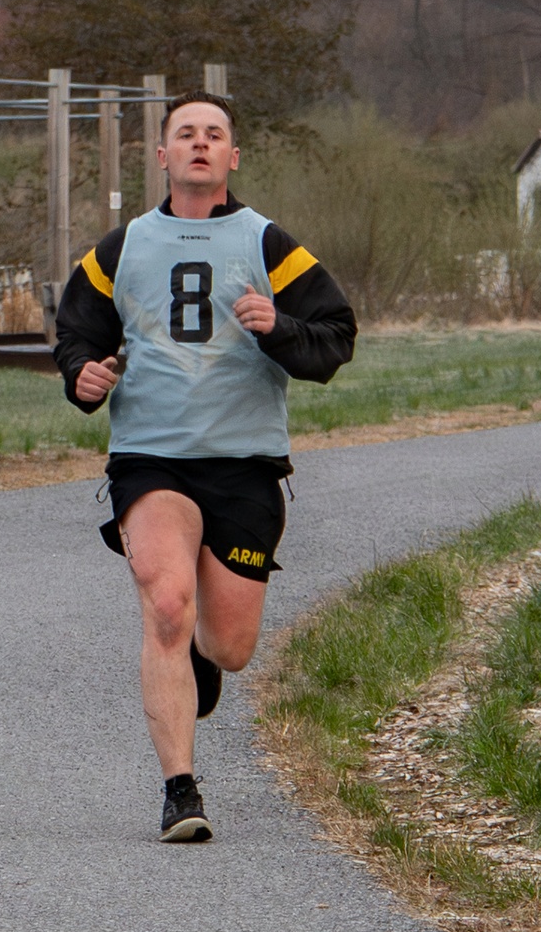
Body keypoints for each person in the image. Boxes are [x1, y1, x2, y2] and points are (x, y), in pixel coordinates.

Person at [54, 89, 356, 843]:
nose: (198, 143)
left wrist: (277, 326)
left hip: (246, 464)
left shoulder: (270, 245)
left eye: (213, 133)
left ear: (232, 155)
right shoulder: (118, 249)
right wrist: (83, 375)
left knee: (230, 645)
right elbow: (76, 335)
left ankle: (200, 652)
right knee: (164, 603)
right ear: (161, 154)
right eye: (184, 133)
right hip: (151, 458)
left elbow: (335, 337)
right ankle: (180, 790)